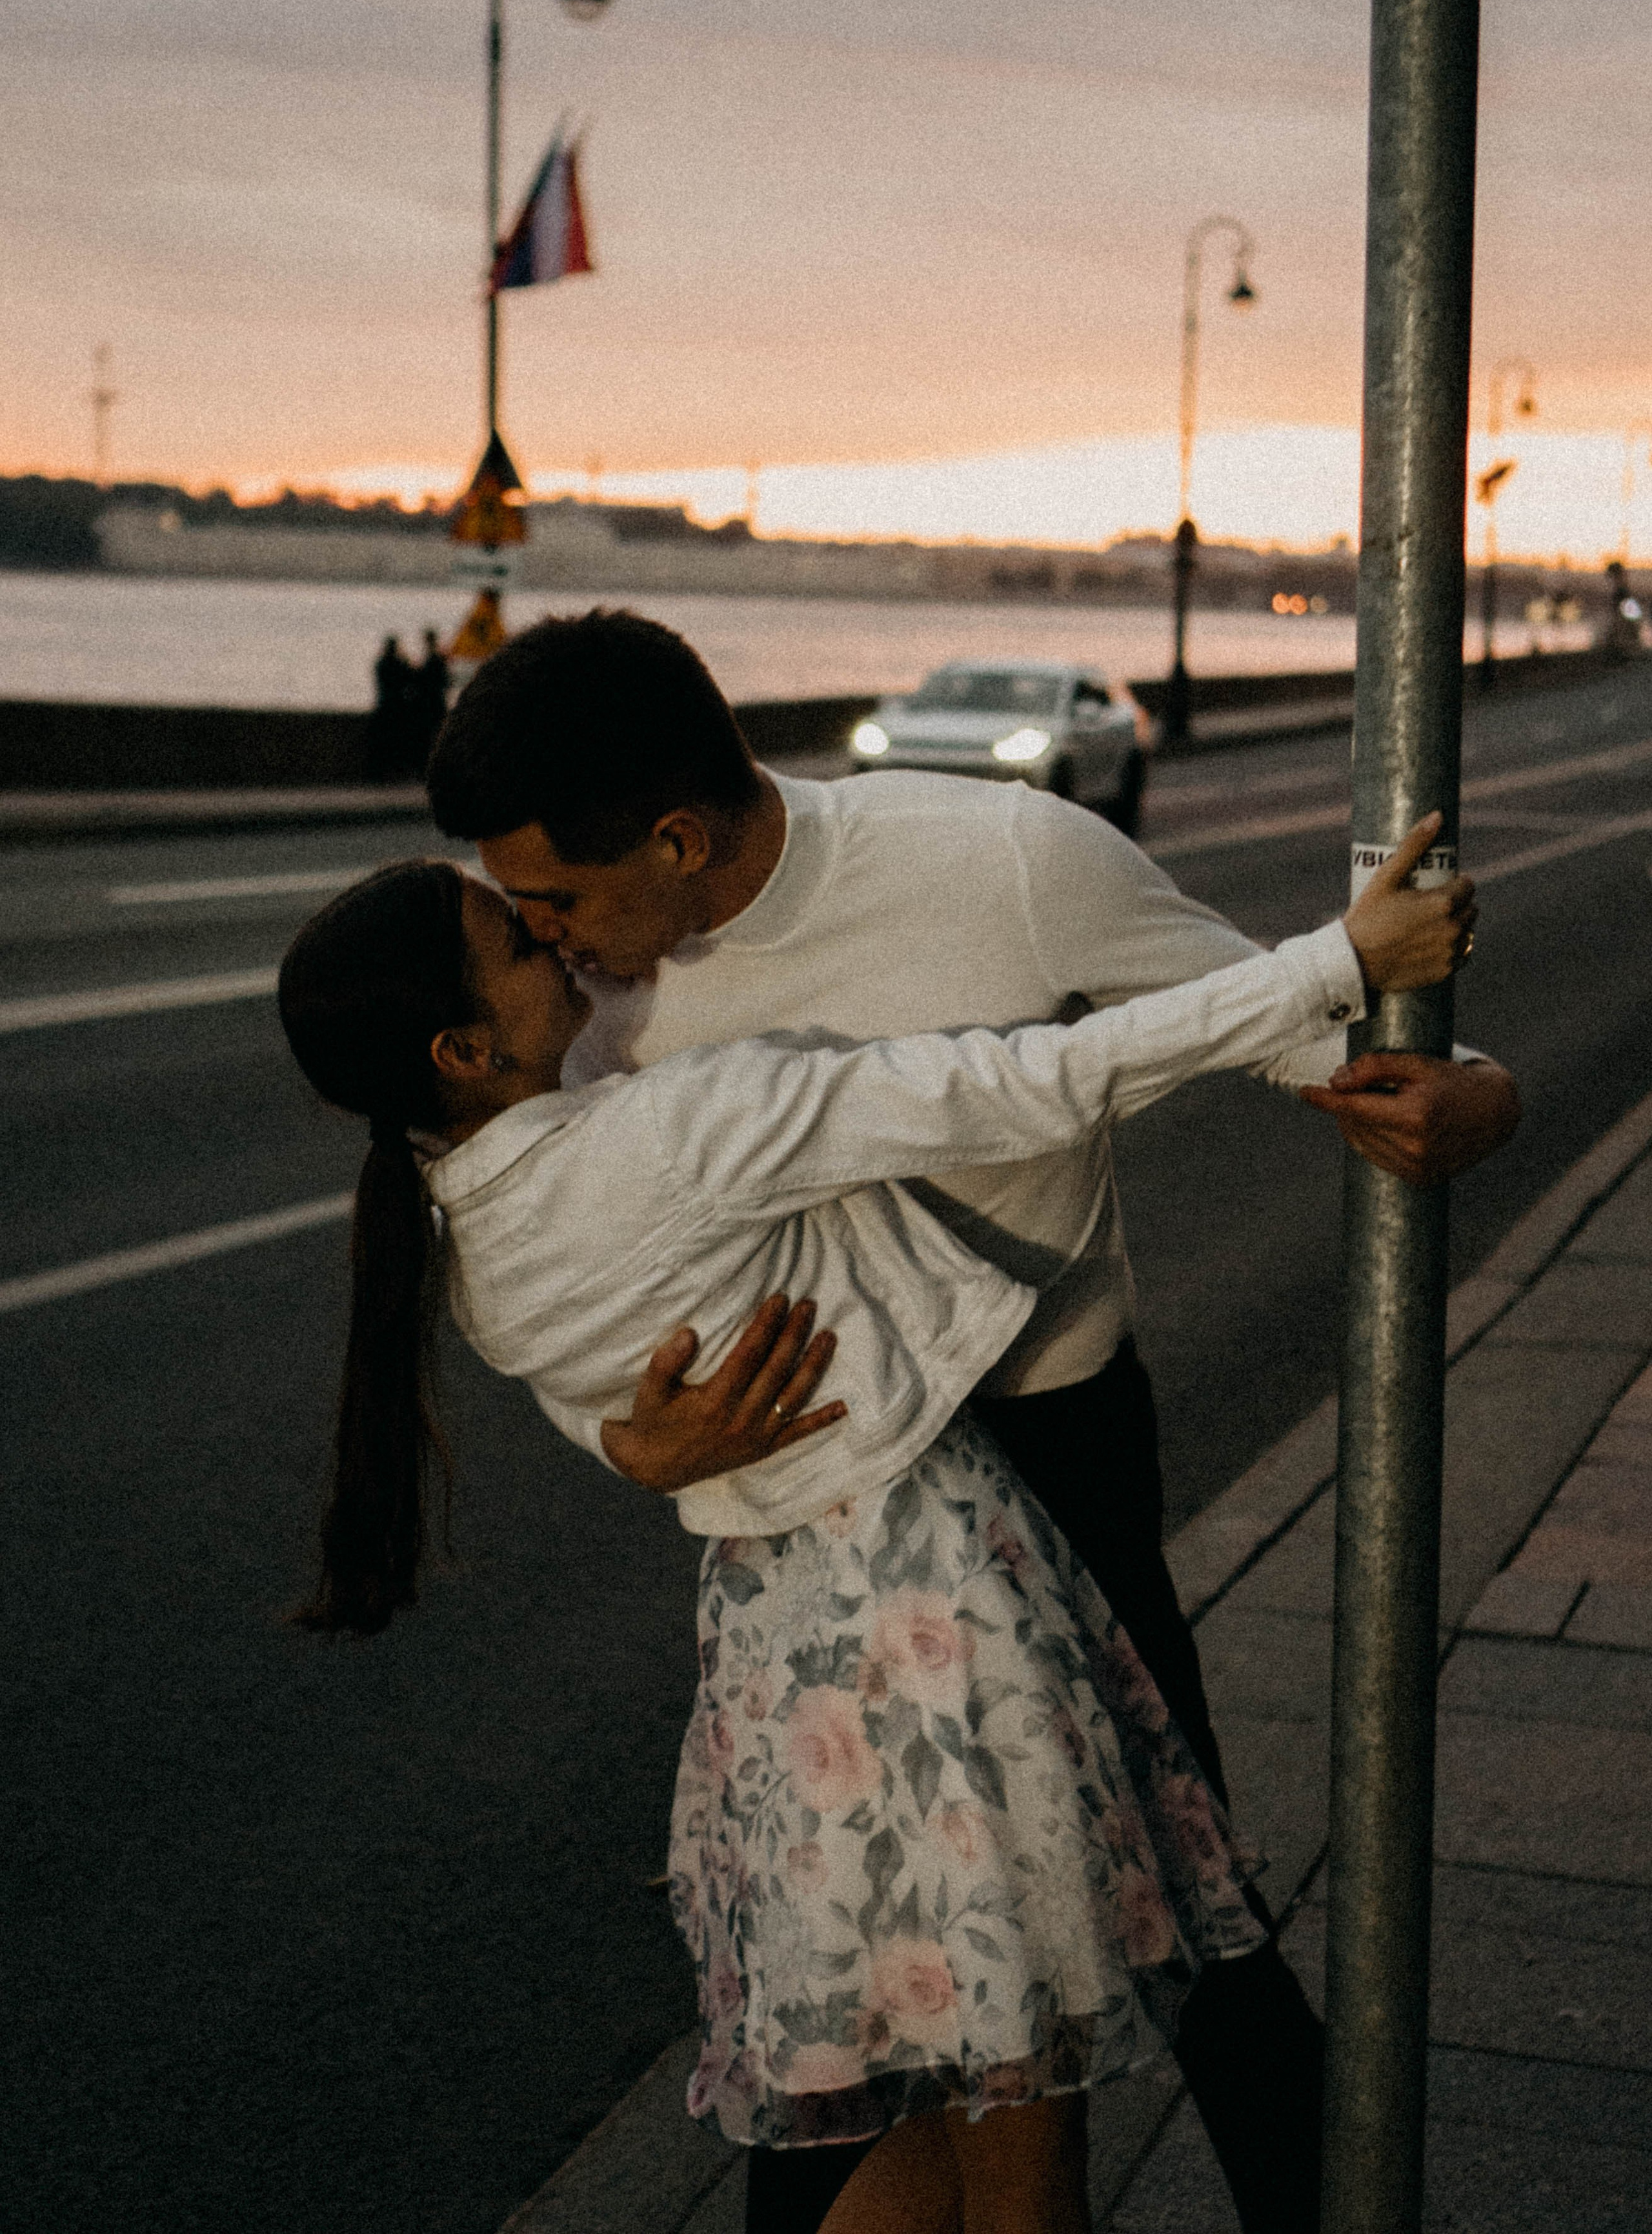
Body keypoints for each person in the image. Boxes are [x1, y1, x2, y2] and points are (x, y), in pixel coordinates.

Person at [422, 609, 1519, 2233]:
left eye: (559, 898)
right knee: (831, 1979)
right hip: (802, 1510)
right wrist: (628, 1448)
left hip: (1049, 1453)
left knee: (1184, 1921)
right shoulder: (583, 1004)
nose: (543, 936)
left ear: (675, 834)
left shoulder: (1005, 857)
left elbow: (1306, 1040)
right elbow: (542, 1274)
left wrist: (1482, 1090)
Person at [368, 633, 416, 781]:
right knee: (397, 742)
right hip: (398, 708)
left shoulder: (381, 664)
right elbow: (410, 678)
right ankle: (396, 772)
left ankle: (381, 773)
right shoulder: (398, 664)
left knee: (384, 743)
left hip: (384, 705)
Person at [410, 627, 450, 774]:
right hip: (437, 702)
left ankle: (428, 768)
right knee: (437, 736)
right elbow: (446, 681)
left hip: (430, 704)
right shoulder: (440, 658)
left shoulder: (432, 659)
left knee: (429, 737)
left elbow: (425, 681)